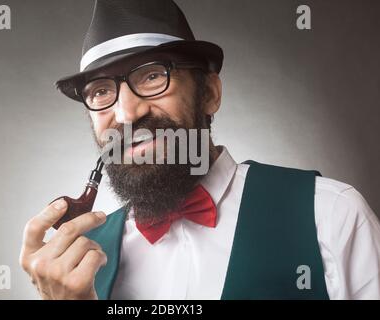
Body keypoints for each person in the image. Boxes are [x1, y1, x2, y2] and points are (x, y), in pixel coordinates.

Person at [19, 0, 380, 300]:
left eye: (152, 75)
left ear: (209, 94)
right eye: (100, 91)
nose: (127, 114)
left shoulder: (332, 215)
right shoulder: (78, 265)